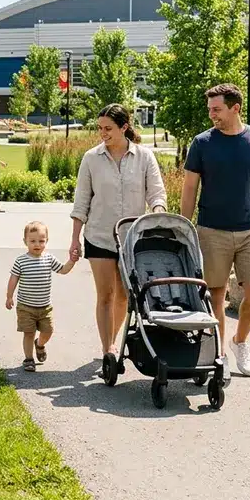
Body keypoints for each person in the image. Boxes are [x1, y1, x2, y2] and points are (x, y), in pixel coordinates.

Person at [180, 84, 250, 382]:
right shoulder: (201, 143)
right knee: (216, 296)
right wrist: (183, 228)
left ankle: (240, 341)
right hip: (211, 230)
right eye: (210, 109)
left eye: (217, 109)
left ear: (235, 107)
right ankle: (219, 356)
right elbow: (190, 188)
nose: (211, 114)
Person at [69, 104, 167, 358]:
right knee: (106, 294)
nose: (103, 133)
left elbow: (157, 193)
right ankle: (108, 349)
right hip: (99, 235)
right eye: (100, 128)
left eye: (109, 128)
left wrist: (157, 209)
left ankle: (111, 340)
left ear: (124, 127)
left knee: (123, 297)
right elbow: (81, 202)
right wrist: (74, 239)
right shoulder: (91, 158)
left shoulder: (144, 157)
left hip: (131, 240)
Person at [6, 221, 79, 372]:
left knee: (48, 331)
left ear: (46, 241)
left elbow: (63, 270)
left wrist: (72, 261)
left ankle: (39, 344)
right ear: (25, 241)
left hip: (45, 307)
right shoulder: (21, 261)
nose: (37, 244)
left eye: (41, 240)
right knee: (28, 333)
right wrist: (9, 296)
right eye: (32, 241)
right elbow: (13, 278)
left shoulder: (49, 259)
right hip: (25, 307)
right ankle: (28, 359)